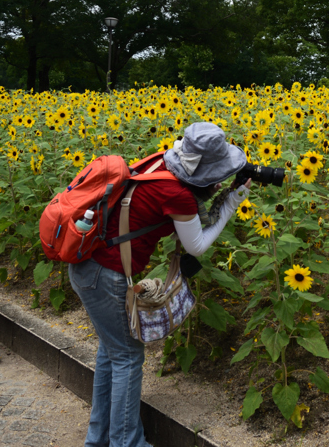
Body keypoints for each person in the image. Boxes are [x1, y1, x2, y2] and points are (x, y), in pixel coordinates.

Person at [70, 121, 251, 447]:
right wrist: (232, 203)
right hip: (104, 276)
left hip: (89, 266)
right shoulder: (177, 192)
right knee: (127, 357)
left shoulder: (160, 163)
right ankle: (127, 443)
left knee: (110, 354)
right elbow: (196, 244)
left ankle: (98, 440)